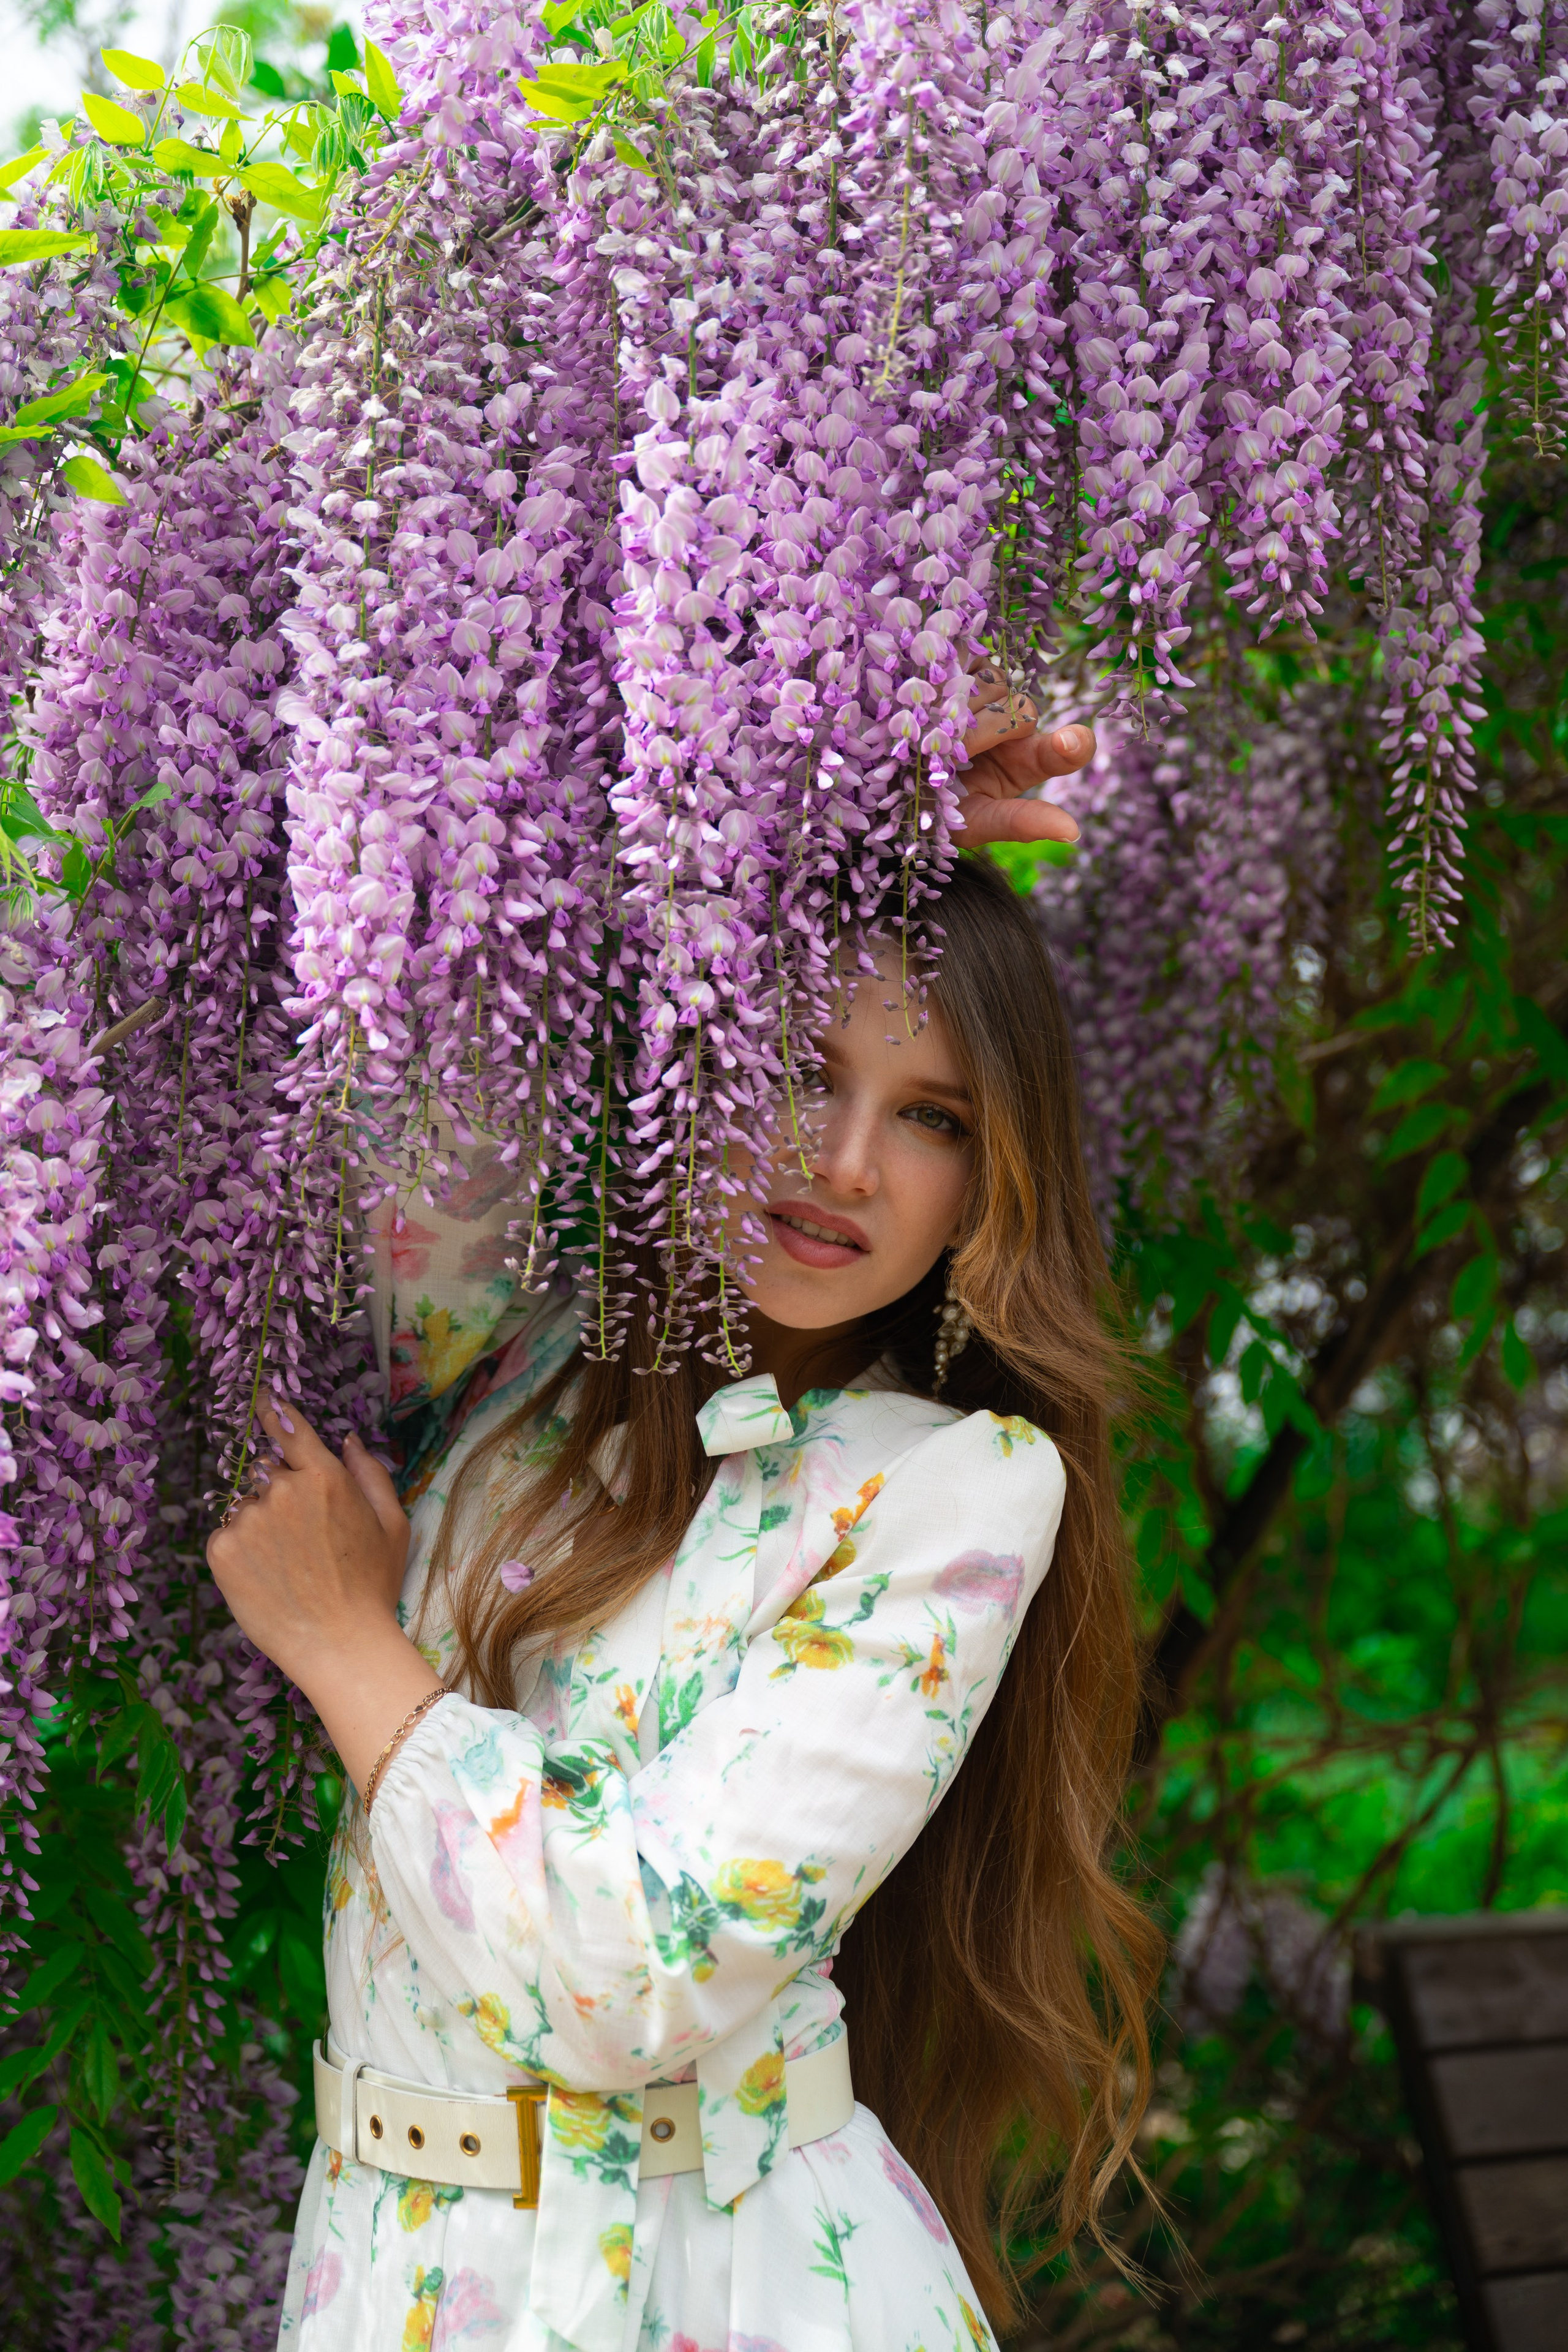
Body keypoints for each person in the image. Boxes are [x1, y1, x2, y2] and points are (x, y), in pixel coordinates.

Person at [209, 682, 1161, 2352]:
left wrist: (350, 1649)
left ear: (992, 1171)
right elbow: (394, 986)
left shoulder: (951, 1491)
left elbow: (631, 1975)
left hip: (696, 2287)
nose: (849, 1160)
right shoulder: (513, 1351)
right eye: (800, 1067)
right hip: (383, 2272)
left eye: (930, 1115)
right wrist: (796, 802)